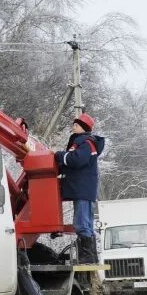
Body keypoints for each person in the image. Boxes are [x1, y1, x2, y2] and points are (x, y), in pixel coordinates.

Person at [55, 113, 106, 264]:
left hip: (82, 189)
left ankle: (86, 257)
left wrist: (60, 156)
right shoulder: (87, 142)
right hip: (84, 189)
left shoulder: (85, 143)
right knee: (86, 223)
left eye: (76, 125)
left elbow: (77, 160)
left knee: (82, 222)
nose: (73, 127)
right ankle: (90, 256)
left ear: (83, 128)